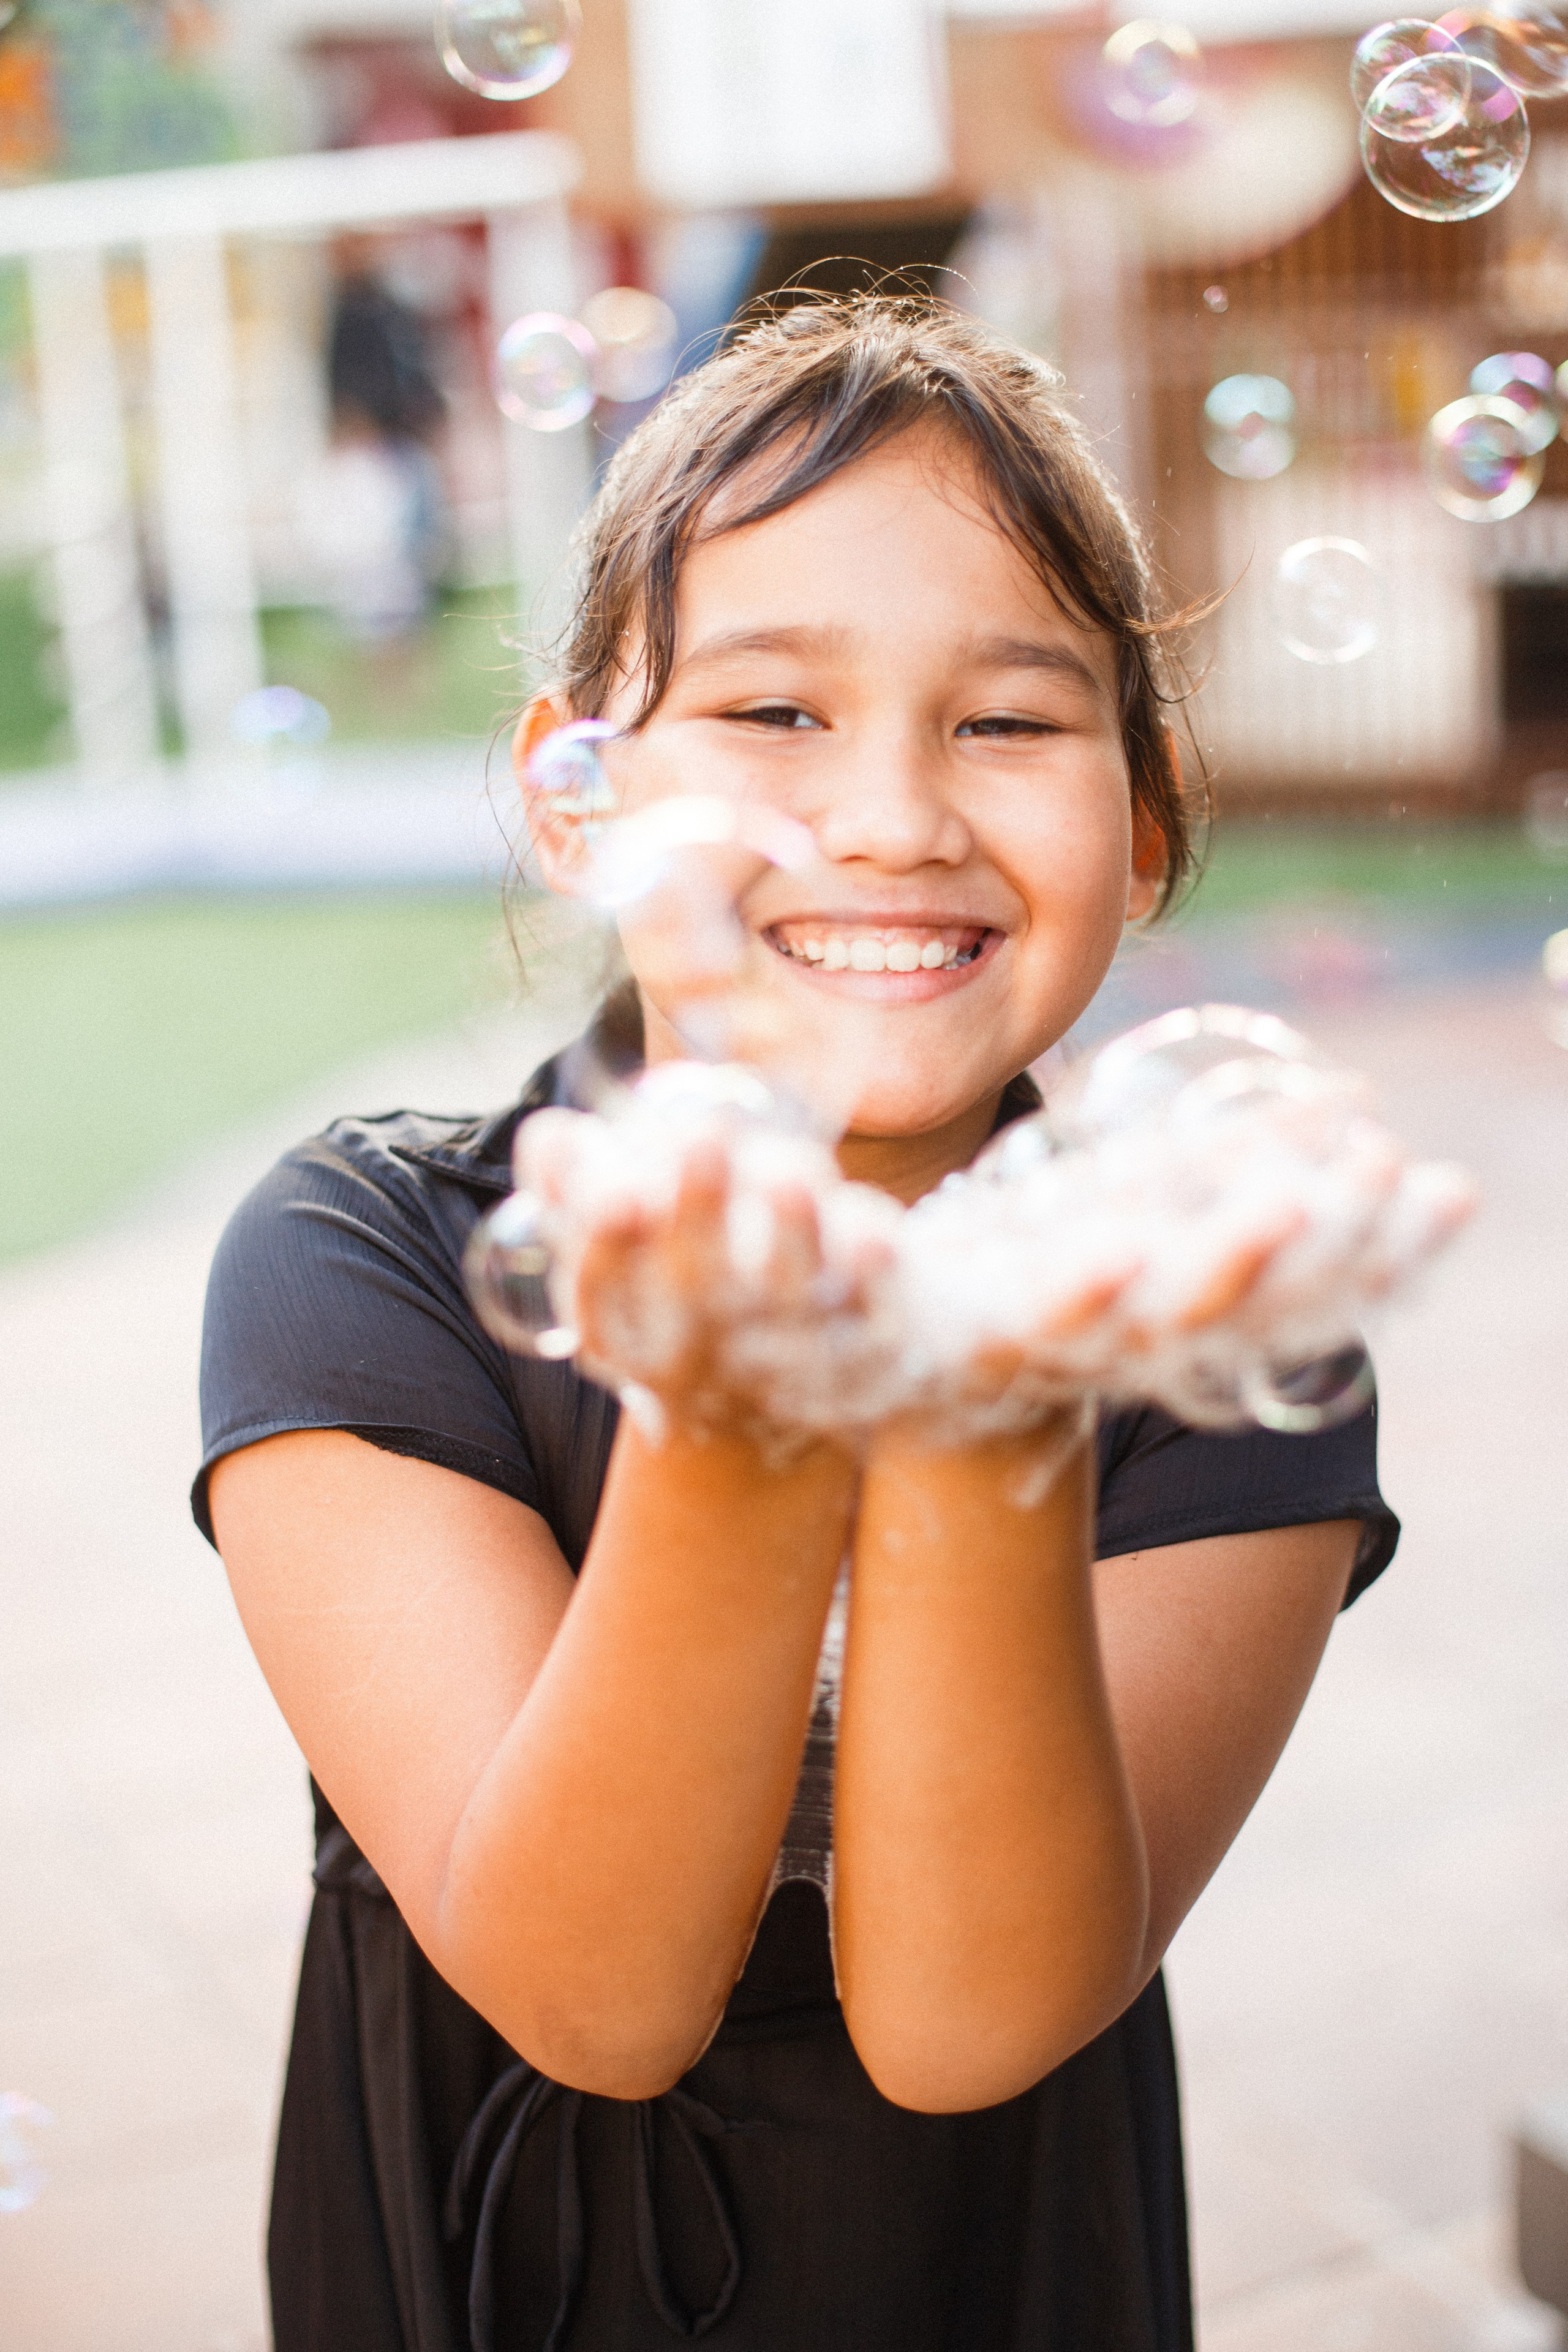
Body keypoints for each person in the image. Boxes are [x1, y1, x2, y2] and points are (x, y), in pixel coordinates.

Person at [194, 296, 1398, 2352]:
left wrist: (972, 1403)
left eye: (1010, 724)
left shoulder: (1215, 1328)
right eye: (772, 715)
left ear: (1155, 806)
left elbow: (970, 2021)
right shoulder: (363, 1254)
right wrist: (744, 1422)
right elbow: (595, 1991)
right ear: (579, 798)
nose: (897, 818)